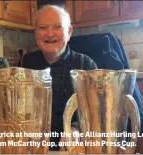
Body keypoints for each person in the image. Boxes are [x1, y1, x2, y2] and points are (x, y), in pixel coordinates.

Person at [21, 5, 97, 151]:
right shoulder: (25, 63)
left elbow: (94, 111)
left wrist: (75, 129)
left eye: (57, 27)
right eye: (43, 27)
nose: (49, 34)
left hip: (74, 148)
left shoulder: (86, 65)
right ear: (35, 33)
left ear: (69, 32)